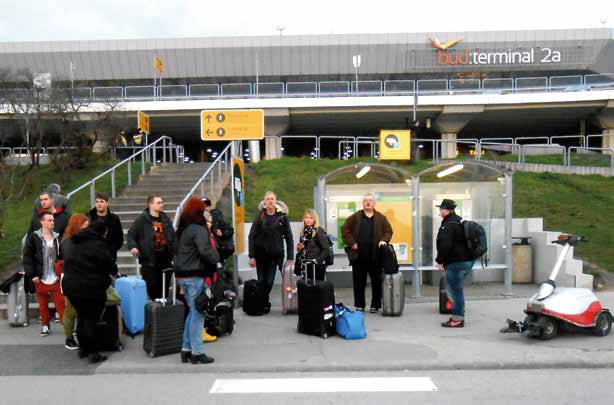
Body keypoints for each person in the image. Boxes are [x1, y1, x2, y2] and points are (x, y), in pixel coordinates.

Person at [62, 221, 118, 363]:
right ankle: (93, 352)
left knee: (82, 317)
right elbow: (109, 265)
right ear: (102, 232)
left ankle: (83, 349)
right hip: (90, 288)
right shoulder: (98, 244)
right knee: (91, 320)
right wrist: (113, 271)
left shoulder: (73, 241)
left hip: (71, 287)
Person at [174, 197, 219, 364]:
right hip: (195, 276)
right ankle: (197, 352)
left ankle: (186, 349)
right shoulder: (198, 229)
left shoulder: (183, 229)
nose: (206, 211)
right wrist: (216, 257)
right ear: (198, 212)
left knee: (193, 312)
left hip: (182, 276)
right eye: (204, 209)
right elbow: (205, 251)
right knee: (199, 313)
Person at [341, 194, 393, 313]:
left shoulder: (381, 218)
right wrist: (352, 243)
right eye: (365, 201)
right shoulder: (355, 217)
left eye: (370, 201)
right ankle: (359, 305)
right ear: (362, 203)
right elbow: (344, 230)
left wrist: (384, 240)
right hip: (358, 256)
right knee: (359, 281)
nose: (368, 203)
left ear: (374, 203)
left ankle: (375, 305)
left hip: (375, 255)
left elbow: (389, 231)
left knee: (376, 281)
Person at [247, 191, 294, 313]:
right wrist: (251, 256)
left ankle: (262, 302)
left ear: (275, 201)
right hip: (260, 256)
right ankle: (263, 305)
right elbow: (251, 236)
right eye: (267, 199)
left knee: (269, 282)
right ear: (264, 202)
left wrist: (290, 257)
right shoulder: (260, 217)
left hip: (275, 257)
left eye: (272, 199)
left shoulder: (282, 218)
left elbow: (289, 237)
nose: (270, 201)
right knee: (261, 282)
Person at [22, 212, 65, 337]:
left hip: (56, 278)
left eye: (53, 220)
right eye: (49, 220)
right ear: (42, 222)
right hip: (40, 278)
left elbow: (62, 254)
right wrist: (32, 274)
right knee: (43, 305)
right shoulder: (34, 237)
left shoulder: (57, 237)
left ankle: (66, 326)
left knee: (61, 303)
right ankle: (45, 325)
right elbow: (27, 257)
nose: (52, 222)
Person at [127, 195, 176, 300]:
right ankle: (155, 308)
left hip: (165, 258)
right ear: (150, 204)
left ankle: (163, 311)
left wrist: (174, 253)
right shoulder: (141, 220)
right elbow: (131, 235)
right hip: (149, 260)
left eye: (162, 202)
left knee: (165, 289)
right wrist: (133, 247)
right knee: (152, 287)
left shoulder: (165, 218)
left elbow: (173, 236)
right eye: (158, 203)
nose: (162, 205)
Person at [435, 199, 475, 328]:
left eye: (441, 209)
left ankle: (458, 318)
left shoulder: (449, 224)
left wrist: (440, 261)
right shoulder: (459, 220)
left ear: (446, 210)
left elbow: (445, 245)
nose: (440, 211)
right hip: (467, 260)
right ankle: (458, 314)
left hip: (456, 262)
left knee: (455, 290)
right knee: (455, 289)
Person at [60, 214, 90, 350]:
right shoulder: (68, 242)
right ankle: (69, 338)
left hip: (80, 278)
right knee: (70, 310)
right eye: (84, 225)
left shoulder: (75, 240)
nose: (87, 228)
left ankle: (79, 336)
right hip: (72, 279)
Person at [295, 209, 329, 281]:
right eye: (306, 217)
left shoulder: (318, 231)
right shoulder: (303, 232)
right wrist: (299, 248)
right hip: (305, 265)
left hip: (316, 266)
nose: (308, 220)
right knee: (306, 289)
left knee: (316, 289)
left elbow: (326, 249)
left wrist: (317, 261)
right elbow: (303, 250)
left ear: (315, 219)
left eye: (311, 218)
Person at [88, 192, 124, 261]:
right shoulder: (88, 217)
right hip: (91, 258)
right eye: (97, 201)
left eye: (102, 201)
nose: (99, 204)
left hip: (109, 257)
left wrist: (111, 250)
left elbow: (120, 239)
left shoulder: (114, 219)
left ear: (107, 203)